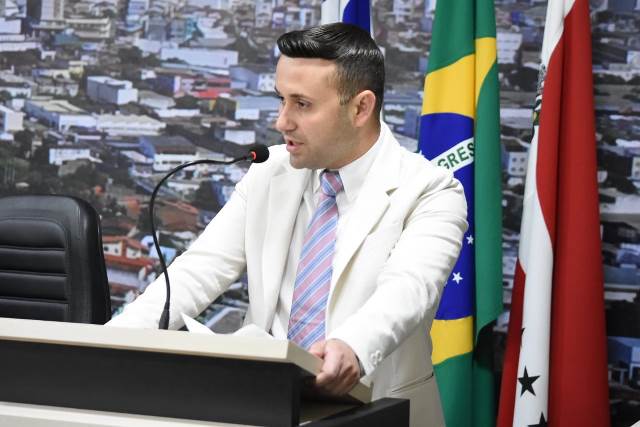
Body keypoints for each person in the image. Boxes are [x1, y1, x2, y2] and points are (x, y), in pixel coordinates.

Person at [107, 23, 467, 427]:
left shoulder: (432, 190)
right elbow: (200, 270)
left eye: (302, 104)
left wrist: (353, 346)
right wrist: (108, 343)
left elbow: (409, 288)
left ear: (361, 108)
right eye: (282, 100)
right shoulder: (269, 171)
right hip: (265, 407)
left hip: (379, 411)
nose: (282, 122)